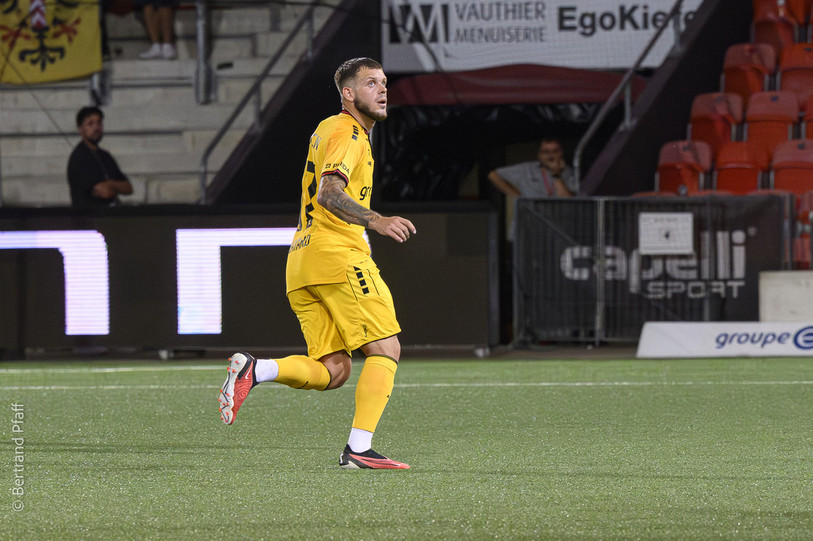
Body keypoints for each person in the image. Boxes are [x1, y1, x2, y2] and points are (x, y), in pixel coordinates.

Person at [218, 57, 417, 470]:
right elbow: (329, 192)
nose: (382, 90)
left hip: (302, 260)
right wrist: (377, 220)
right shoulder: (348, 132)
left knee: (335, 370)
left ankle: (257, 370)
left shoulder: (327, 128)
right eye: (370, 84)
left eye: (384, 82)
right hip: (337, 256)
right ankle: (358, 451)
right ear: (348, 93)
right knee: (386, 347)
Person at [67, 106, 133, 209]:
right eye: (90, 124)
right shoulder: (78, 157)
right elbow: (105, 193)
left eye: (99, 123)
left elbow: (128, 188)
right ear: (81, 129)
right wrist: (116, 187)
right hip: (88, 219)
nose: (96, 128)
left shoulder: (105, 156)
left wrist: (111, 184)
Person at [488, 138, 577, 200]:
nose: (550, 156)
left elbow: (568, 201)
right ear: (539, 155)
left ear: (561, 153)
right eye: (545, 152)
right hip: (528, 222)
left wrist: (557, 176)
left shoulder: (569, 172)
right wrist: (517, 197)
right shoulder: (526, 169)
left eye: (555, 151)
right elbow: (493, 175)